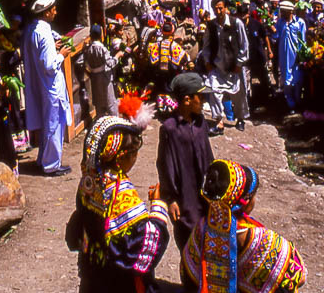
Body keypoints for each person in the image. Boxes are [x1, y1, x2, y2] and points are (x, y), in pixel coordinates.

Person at [67, 115, 172, 293]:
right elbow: (143, 246)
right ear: (121, 157)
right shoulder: (122, 196)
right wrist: (158, 206)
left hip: (93, 274)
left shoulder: (90, 182)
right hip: (119, 282)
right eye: (134, 153)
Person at [181, 160, 306, 293]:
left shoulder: (201, 228)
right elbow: (300, 276)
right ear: (245, 201)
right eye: (253, 196)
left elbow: (187, 274)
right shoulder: (266, 241)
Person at [157, 72, 214, 251]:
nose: (204, 101)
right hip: (184, 195)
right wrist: (171, 199)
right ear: (187, 100)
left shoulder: (201, 122)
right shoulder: (170, 129)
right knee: (188, 240)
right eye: (201, 96)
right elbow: (165, 166)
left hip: (204, 194)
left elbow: (208, 156)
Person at [21, 0, 72, 176]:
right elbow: (50, 66)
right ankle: (52, 164)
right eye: (54, 9)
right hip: (51, 87)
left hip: (39, 85)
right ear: (47, 12)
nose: (56, 12)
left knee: (45, 125)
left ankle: (43, 158)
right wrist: (62, 54)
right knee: (54, 125)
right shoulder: (45, 34)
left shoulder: (31, 30)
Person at [204, 0, 250, 132]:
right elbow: (206, 46)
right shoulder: (211, 26)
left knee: (239, 93)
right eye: (216, 9)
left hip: (234, 66)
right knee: (214, 91)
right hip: (217, 66)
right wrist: (207, 62)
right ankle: (219, 122)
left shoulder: (236, 24)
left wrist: (239, 63)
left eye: (221, 8)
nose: (219, 11)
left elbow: (244, 45)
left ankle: (240, 119)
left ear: (225, 8)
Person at [275, 0, 305, 110]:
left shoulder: (299, 23)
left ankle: (298, 101)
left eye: (284, 11)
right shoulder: (280, 23)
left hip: (296, 56)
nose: (282, 13)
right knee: (286, 78)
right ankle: (290, 103)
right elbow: (276, 37)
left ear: (290, 12)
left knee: (297, 79)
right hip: (284, 55)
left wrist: (301, 56)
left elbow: (303, 40)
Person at [83, 23, 118, 117]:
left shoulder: (88, 49)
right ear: (101, 35)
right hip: (105, 78)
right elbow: (110, 63)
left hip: (94, 79)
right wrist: (117, 56)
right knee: (110, 104)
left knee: (99, 105)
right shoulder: (102, 49)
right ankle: (116, 127)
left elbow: (84, 63)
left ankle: (101, 126)